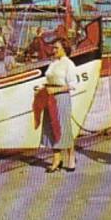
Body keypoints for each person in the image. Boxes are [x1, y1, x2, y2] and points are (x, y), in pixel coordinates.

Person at [37, 40, 77, 172]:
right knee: (52, 128)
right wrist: (43, 87)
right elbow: (48, 78)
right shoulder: (53, 63)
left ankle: (71, 155)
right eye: (53, 48)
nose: (53, 50)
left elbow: (73, 84)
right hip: (50, 97)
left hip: (61, 98)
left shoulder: (68, 64)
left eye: (56, 48)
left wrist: (56, 90)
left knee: (63, 127)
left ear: (64, 49)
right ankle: (56, 159)